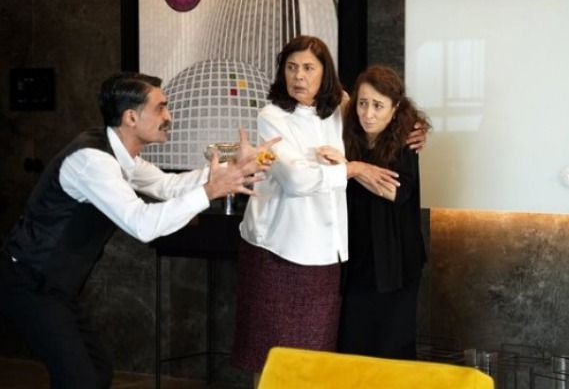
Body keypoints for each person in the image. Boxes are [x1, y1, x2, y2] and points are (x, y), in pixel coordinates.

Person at [0, 71, 278, 388]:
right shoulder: (93, 160)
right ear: (131, 117)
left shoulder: (122, 156)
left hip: (56, 288)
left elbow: (168, 185)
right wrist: (211, 191)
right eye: (160, 107)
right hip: (28, 282)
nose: (169, 116)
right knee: (80, 380)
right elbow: (142, 224)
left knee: (97, 371)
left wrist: (233, 168)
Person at [230, 37, 427, 385]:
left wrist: (417, 127)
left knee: (318, 357)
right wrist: (353, 169)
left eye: (309, 68)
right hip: (278, 248)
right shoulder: (271, 116)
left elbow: (383, 103)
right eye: (291, 67)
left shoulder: (341, 107)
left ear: (325, 73)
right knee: (273, 357)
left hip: (326, 255)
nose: (299, 76)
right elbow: (295, 179)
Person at [320, 65, 431, 359]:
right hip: (356, 258)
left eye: (378, 106)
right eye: (363, 103)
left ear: (395, 109)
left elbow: (396, 191)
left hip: (395, 263)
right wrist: (350, 167)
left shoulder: (405, 140)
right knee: (352, 346)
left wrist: (350, 169)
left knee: (391, 350)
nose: (368, 113)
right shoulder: (348, 134)